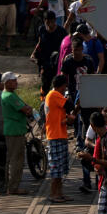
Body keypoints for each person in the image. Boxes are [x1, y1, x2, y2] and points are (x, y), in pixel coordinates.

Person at [0, 71, 34, 194]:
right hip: (15, 130)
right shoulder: (9, 96)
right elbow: (26, 109)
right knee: (16, 160)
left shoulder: (10, 94)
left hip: (15, 128)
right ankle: (13, 187)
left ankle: (10, 185)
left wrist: (28, 108)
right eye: (13, 81)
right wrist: (28, 109)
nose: (16, 82)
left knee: (12, 159)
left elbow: (26, 107)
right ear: (7, 82)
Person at [45, 74, 72, 203]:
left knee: (60, 168)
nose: (65, 88)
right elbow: (69, 105)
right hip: (55, 136)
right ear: (62, 86)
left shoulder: (53, 95)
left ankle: (59, 193)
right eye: (65, 86)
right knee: (56, 168)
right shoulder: (54, 94)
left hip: (59, 134)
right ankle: (53, 194)